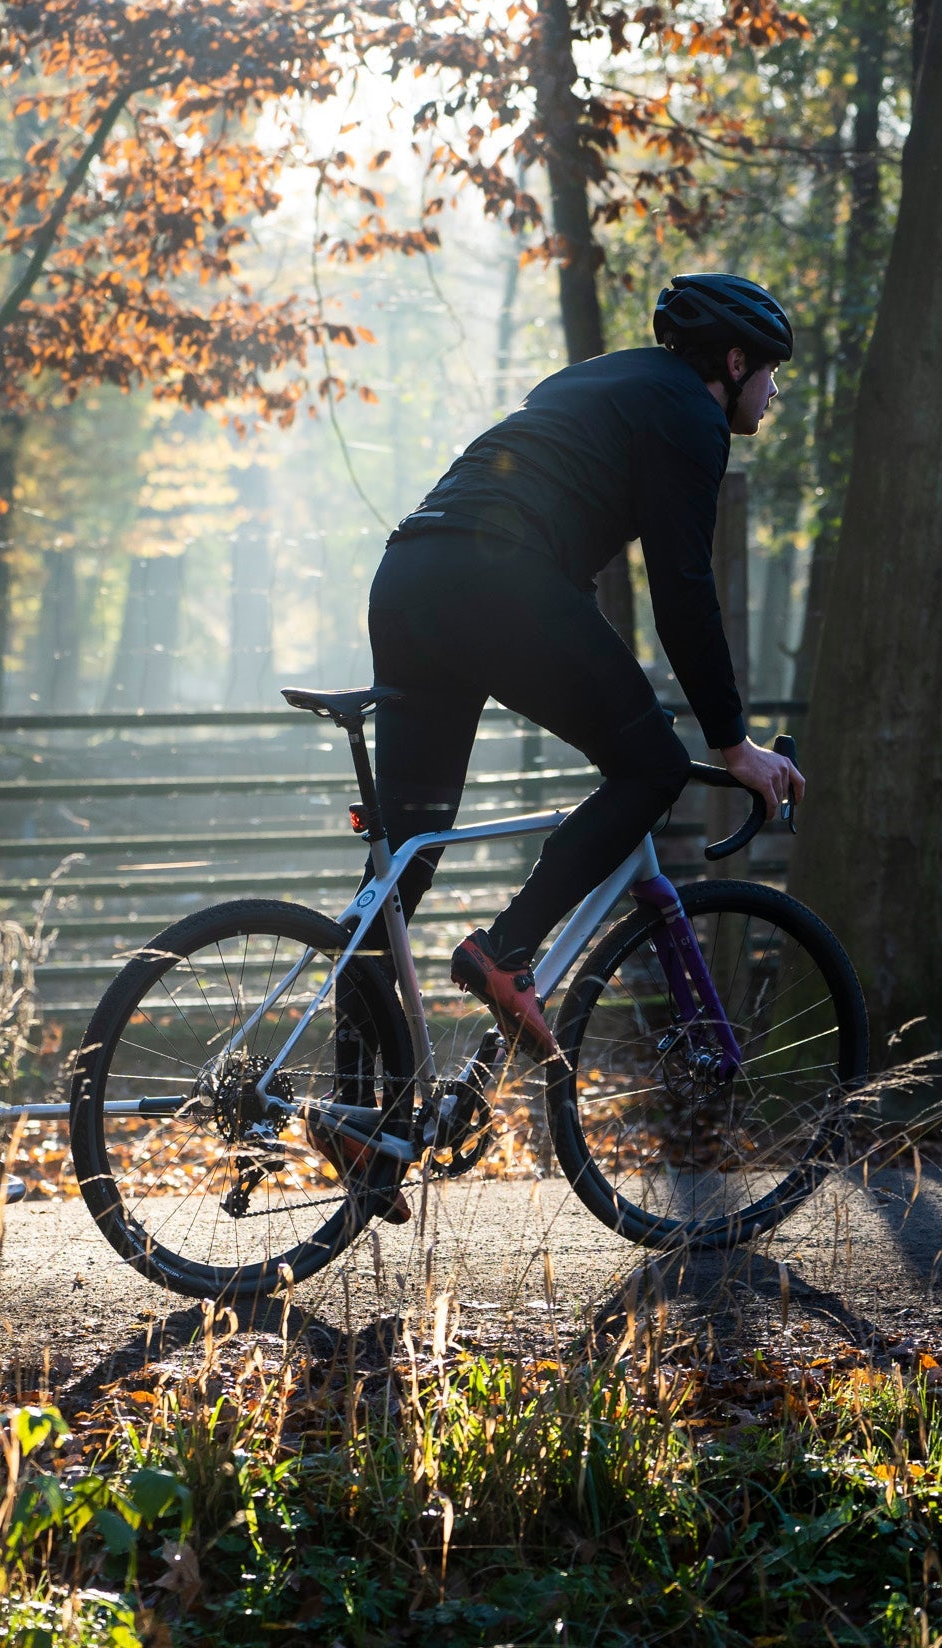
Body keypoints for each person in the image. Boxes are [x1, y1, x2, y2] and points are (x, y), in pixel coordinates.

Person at [365, 272, 807, 1063]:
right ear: (735, 363)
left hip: (409, 575)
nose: (774, 394)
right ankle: (507, 950)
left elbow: (571, 572)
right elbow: (683, 587)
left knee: (403, 864)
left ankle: (359, 1117)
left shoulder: (607, 379)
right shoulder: (690, 414)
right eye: (772, 371)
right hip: (493, 579)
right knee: (651, 765)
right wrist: (732, 741)